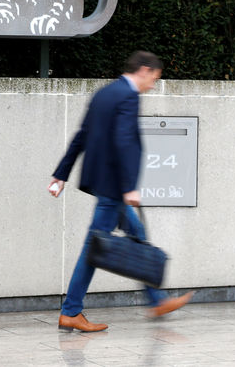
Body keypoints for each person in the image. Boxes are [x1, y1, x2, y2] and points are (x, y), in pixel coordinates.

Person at [47, 51, 194, 332]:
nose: (152, 85)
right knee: (94, 248)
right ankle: (71, 311)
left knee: (137, 235)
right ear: (143, 70)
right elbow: (124, 140)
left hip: (104, 184)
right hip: (114, 188)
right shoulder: (128, 96)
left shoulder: (104, 93)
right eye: (154, 78)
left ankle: (155, 300)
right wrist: (129, 187)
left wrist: (60, 174)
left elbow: (81, 135)